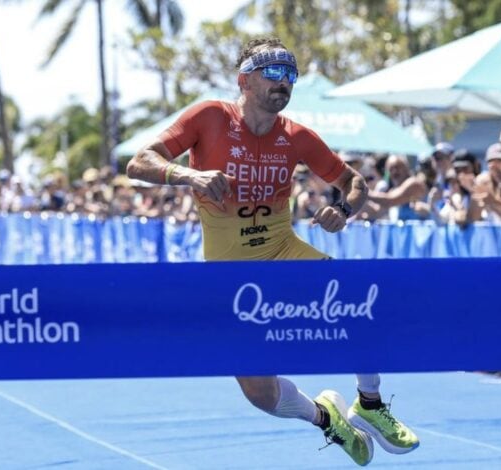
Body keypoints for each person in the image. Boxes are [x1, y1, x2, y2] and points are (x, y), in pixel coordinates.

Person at [126, 37, 418, 466]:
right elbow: (139, 161)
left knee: (358, 302)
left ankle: (370, 404)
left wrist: (343, 209)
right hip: (230, 276)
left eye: (291, 74)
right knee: (260, 394)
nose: (284, 83)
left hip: (284, 253)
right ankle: (325, 418)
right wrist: (189, 175)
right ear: (244, 79)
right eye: (274, 72)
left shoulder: (296, 137)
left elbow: (356, 184)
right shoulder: (209, 117)